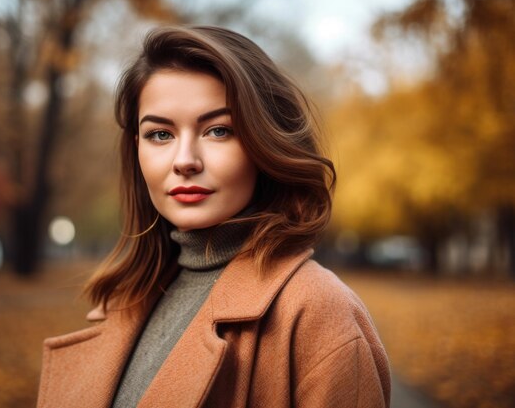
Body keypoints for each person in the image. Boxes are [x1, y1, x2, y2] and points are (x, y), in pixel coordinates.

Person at [37, 25, 390, 408]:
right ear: (136, 148)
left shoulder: (318, 312)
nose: (185, 160)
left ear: (263, 142)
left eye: (218, 130)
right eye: (160, 135)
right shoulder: (127, 300)